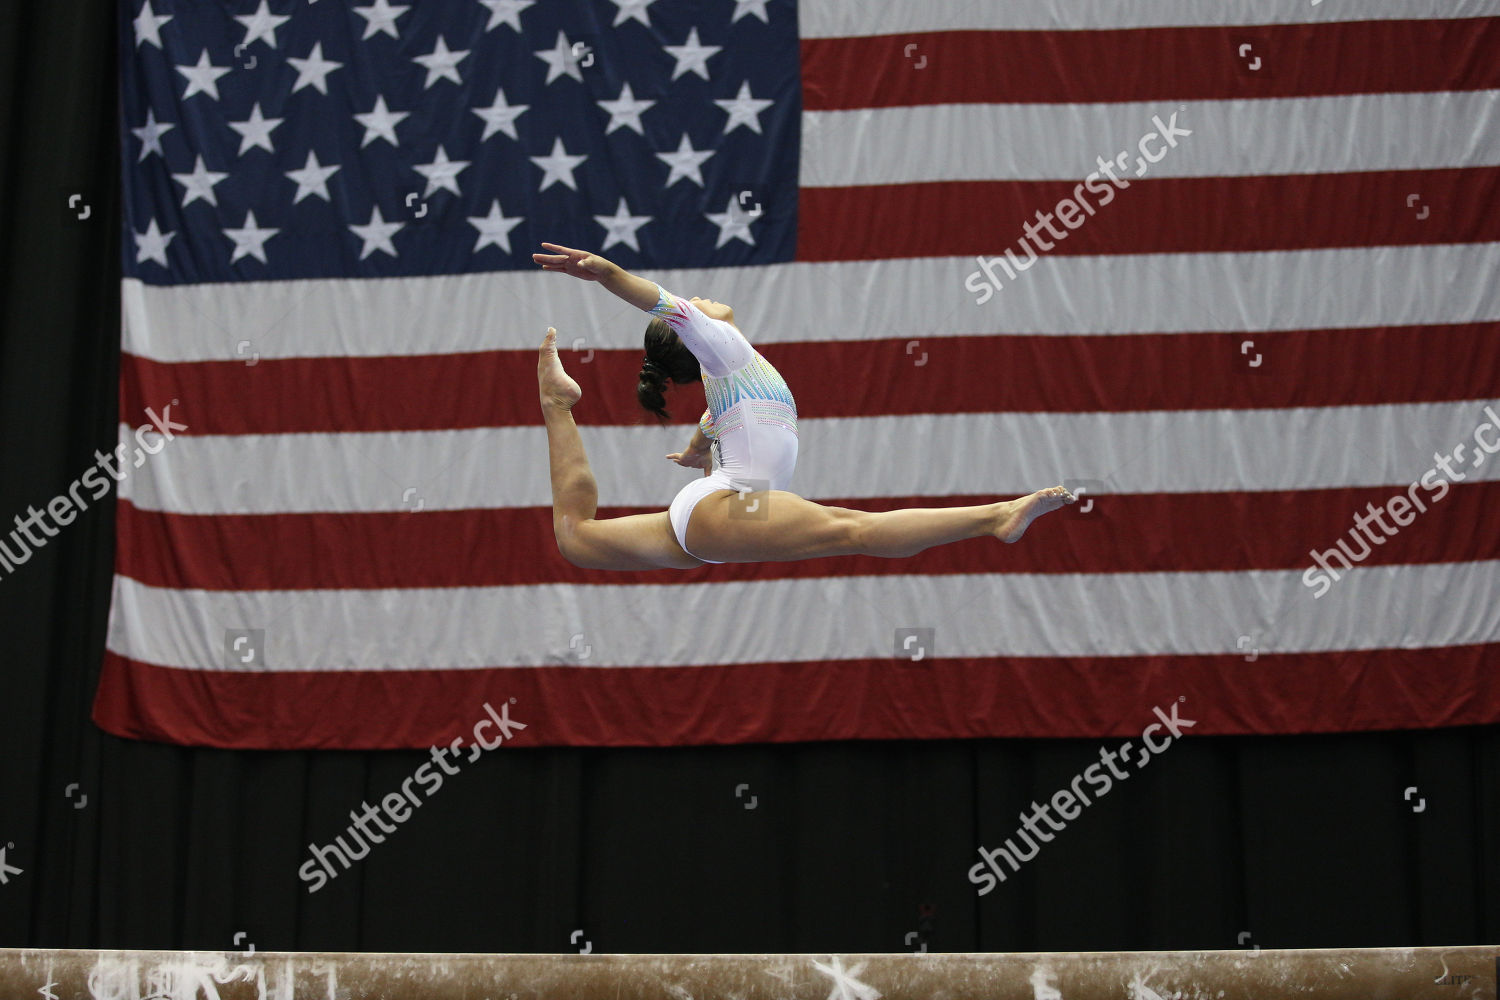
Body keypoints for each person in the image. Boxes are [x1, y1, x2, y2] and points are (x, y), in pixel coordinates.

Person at [531, 242, 1075, 569]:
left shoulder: (731, 373)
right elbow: (662, 303)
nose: (700, 300)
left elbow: (711, 424)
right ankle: (995, 517)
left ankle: (557, 405)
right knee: (850, 529)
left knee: (575, 538)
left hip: (722, 508)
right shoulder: (721, 347)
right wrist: (608, 275)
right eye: (696, 307)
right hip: (737, 503)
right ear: (699, 332)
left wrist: (700, 449)